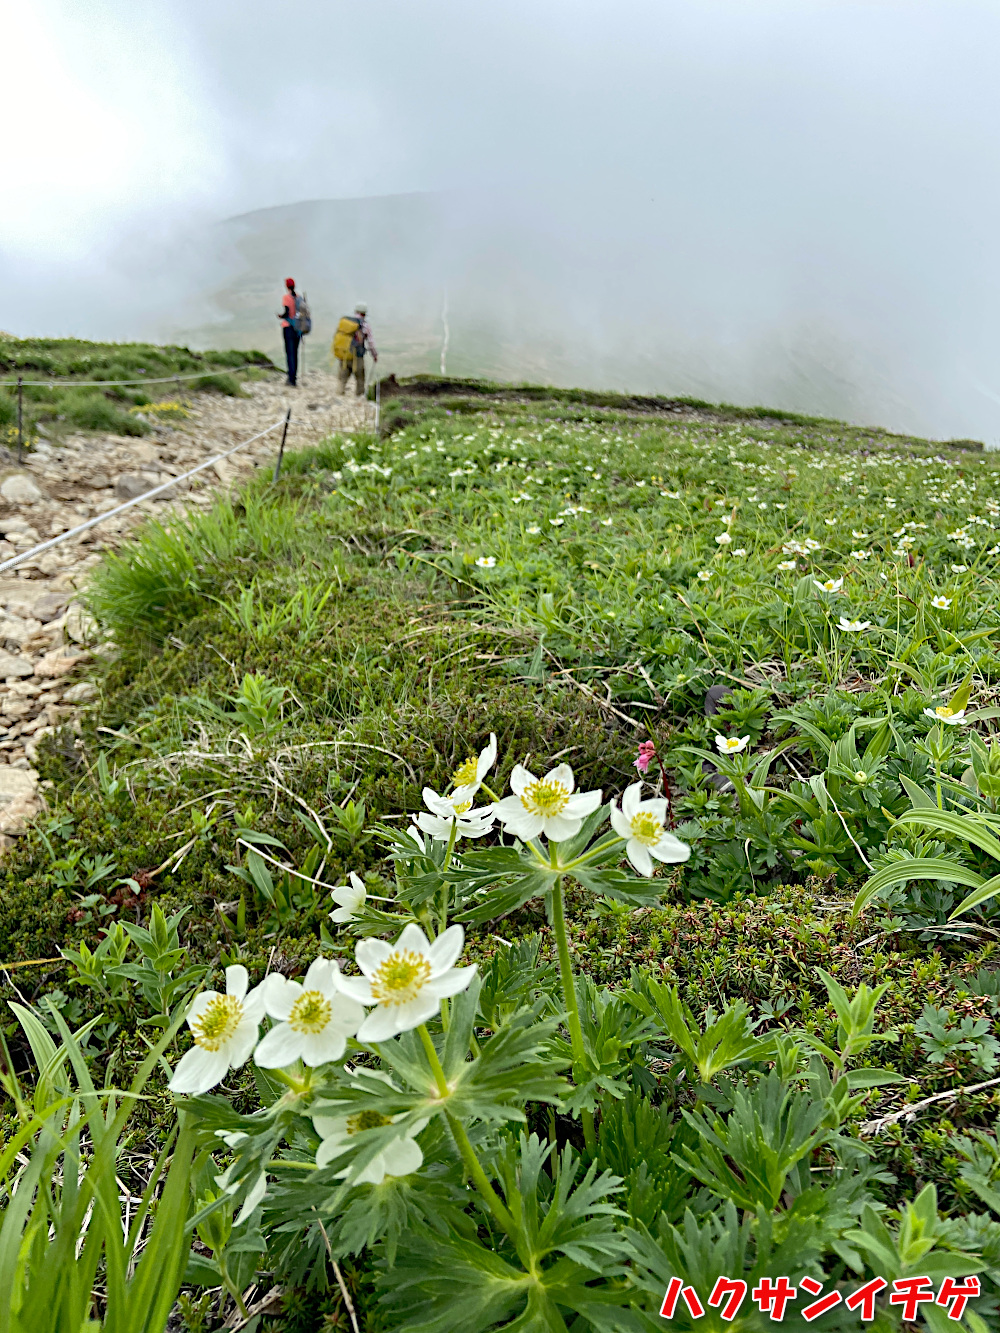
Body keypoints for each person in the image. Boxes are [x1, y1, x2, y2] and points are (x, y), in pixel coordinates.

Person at [334, 304, 378, 397]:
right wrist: (374, 355)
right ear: (364, 314)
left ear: (355, 312)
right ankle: (359, 396)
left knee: (343, 376)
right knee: (360, 377)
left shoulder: (346, 322)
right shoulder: (365, 325)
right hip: (357, 355)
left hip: (344, 353)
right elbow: (370, 342)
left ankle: (339, 394)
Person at [278, 277, 300, 386]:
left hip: (288, 327)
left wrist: (280, 316)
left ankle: (290, 379)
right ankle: (294, 377)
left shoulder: (286, 298)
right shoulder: (299, 298)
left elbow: (286, 313)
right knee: (295, 353)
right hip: (298, 328)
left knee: (289, 353)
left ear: (287, 286)